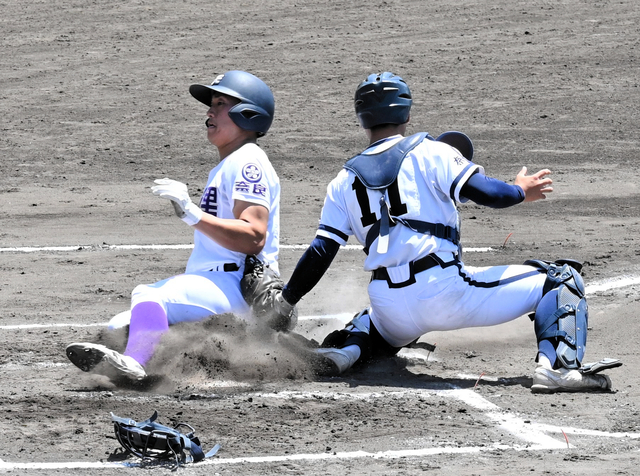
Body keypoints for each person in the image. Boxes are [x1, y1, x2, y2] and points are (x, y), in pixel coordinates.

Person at [274, 72, 619, 394]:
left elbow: (320, 252)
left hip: (388, 305)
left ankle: (343, 353)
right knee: (559, 279)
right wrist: (519, 189)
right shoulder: (432, 152)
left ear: (362, 117)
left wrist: (287, 300)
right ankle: (558, 367)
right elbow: (489, 194)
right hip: (445, 293)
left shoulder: (342, 181)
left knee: (371, 323)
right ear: (406, 112)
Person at [66, 70, 293, 381]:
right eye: (211, 104)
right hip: (216, 285)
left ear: (248, 113)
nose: (210, 112)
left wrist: (192, 213)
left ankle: (136, 364)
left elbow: (253, 237)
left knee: (148, 295)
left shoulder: (248, 162)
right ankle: (163, 367)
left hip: (237, 285)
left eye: (220, 103)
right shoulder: (231, 162)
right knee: (119, 326)